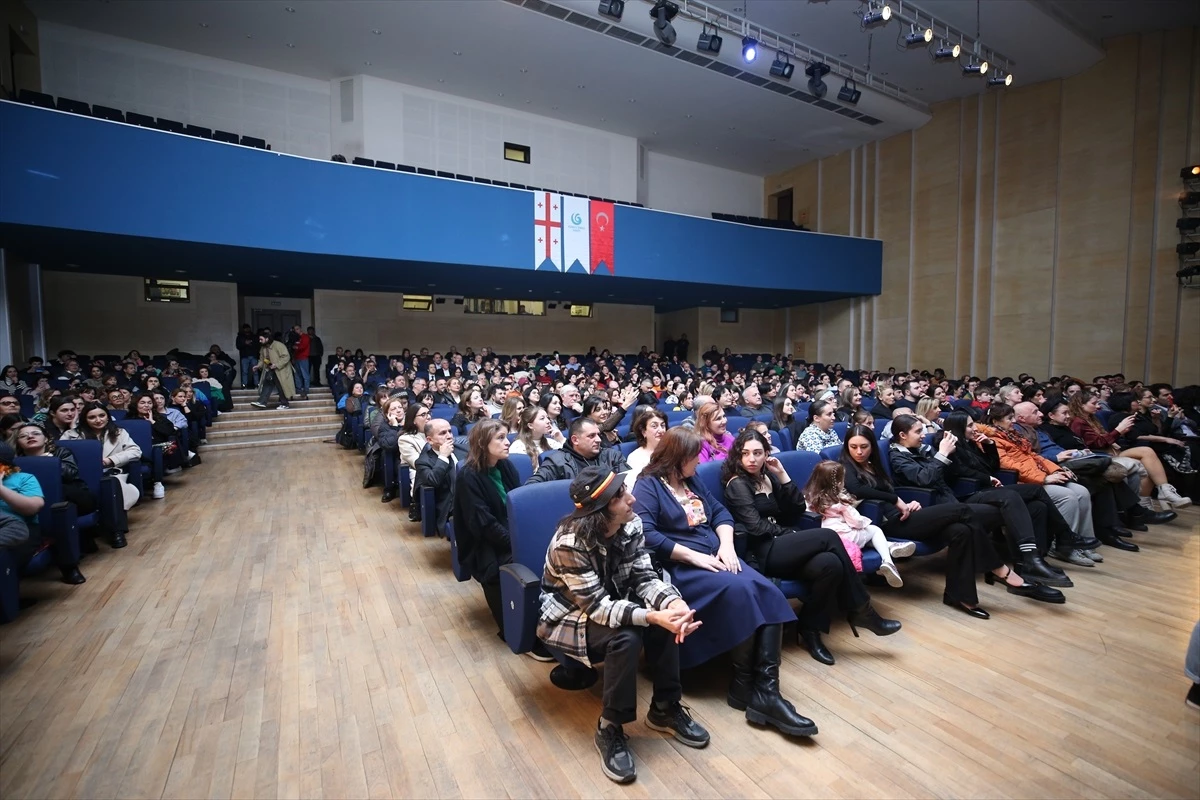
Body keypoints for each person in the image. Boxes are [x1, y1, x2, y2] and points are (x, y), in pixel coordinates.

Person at [633, 427, 819, 738]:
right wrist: (694, 557)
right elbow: (648, 534)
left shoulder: (691, 480)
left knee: (768, 591)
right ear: (677, 458)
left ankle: (759, 689)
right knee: (743, 590)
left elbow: (719, 513)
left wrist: (727, 545)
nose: (698, 462)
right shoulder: (648, 485)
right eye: (693, 457)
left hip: (716, 555)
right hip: (681, 566)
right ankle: (751, 687)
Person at [538, 466, 710, 784]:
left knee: (665, 621)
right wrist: (650, 615)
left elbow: (644, 577)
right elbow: (597, 607)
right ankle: (610, 727)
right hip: (568, 616)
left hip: (613, 600)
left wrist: (673, 604)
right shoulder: (569, 543)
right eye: (620, 496)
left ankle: (664, 707)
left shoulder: (630, 524)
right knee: (628, 637)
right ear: (600, 512)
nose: (631, 499)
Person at [722, 429, 899, 664]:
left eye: (757, 453)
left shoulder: (767, 477)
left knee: (831, 564)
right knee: (827, 536)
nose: (751, 459)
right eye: (745, 454)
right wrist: (790, 532)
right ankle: (862, 610)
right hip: (762, 550)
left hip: (783, 543)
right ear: (737, 456)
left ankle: (810, 630)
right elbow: (754, 527)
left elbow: (795, 509)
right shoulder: (737, 484)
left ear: (767, 454)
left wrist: (783, 476)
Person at [839, 425, 1014, 618]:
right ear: (846, 447)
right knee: (962, 510)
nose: (859, 451)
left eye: (864, 446)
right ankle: (997, 567)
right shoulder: (845, 467)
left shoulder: (873, 464)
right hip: (887, 523)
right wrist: (896, 501)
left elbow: (890, 490)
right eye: (853, 447)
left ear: (872, 446)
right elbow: (858, 490)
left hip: (904, 515)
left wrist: (907, 502)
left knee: (960, 531)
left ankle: (959, 596)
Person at [886, 414, 1066, 603]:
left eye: (923, 430)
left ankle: (1028, 562)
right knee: (1008, 504)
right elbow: (925, 479)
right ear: (903, 435)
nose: (924, 435)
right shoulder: (898, 456)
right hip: (936, 509)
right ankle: (1010, 570)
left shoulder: (923, 450)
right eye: (918, 431)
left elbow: (954, 472)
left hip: (952, 502)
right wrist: (942, 454)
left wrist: (960, 451)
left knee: (1031, 506)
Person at [452, 420, 553, 660]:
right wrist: (518, 544)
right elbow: (483, 524)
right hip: (483, 542)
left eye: (506, 436)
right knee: (508, 566)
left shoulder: (505, 466)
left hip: (508, 533)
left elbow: (517, 507)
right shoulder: (468, 476)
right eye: (499, 438)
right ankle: (517, 630)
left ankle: (548, 621)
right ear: (482, 443)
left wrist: (525, 538)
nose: (507, 442)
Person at [1068, 391, 1191, 511]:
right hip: (1099, 456)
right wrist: (1119, 430)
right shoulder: (1078, 421)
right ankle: (1163, 493)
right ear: (1081, 404)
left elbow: (1102, 438)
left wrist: (1116, 436)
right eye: (1094, 403)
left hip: (1110, 451)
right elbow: (1095, 443)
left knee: (1147, 462)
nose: (1098, 406)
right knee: (1147, 451)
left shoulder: (1091, 418)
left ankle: (1148, 502)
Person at [803, 460, 914, 588]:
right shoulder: (840, 501)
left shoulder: (809, 498)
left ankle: (891, 546)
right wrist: (865, 523)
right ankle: (888, 561)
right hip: (846, 539)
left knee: (867, 536)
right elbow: (856, 522)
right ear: (838, 483)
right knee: (874, 530)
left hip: (827, 539)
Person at [62, 402, 141, 514]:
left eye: (102, 416)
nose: (98, 420)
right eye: (92, 417)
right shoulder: (70, 435)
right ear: (85, 419)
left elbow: (135, 451)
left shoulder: (119, 432)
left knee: (113, 487)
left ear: (108, 417)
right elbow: (62, 456)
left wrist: (111, 460)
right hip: (82, 475)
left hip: (111, 473)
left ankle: (117, 526)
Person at [527, 418, 628, 484]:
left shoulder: (612, 455)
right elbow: (532, 486)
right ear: (575, 440)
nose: (598, 440)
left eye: (598, 435)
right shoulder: (556, 462)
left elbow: (629, 483)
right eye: (591, 436)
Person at [413, 418, 457, 537]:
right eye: (443, 433)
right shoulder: (423, 462)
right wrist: (443, 457)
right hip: (450, 506)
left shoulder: (463, 450)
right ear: (429, 440)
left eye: (450, 431)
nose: (449, 436)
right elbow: (433, 481)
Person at [508, 406, 565, 471]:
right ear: (530, 425)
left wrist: (561, 439)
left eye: (547, 417)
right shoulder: (518, 447)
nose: (548, 421)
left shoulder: (551, 442)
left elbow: (569, 460)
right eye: (542, 418)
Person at [623, 406, 667, 489]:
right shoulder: (635, 458)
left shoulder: (671, 450)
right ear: (643, 432)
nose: (661, 430)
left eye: (663, 425)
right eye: (654, 426)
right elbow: (635, 489)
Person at [250, 332, 294, 410]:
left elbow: (286, 357)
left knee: (281, 387)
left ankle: (285, 404)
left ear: (267, 339)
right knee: (267, 385)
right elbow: (262, 359)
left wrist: (276, 364)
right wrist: (258, 366)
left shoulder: (278, 345)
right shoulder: (263, 348)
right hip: (270, 369)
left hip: (280, 370)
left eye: (261, 339)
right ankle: (262, 402)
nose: (260, 341)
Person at [236, 324, 259, 390]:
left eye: (248, 328)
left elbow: (257, 345)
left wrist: (250, 343)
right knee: (244, 371)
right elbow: (238, 346)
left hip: (253, 355)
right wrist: (245, 343)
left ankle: (257, 384)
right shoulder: (240, 337)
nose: (247, 329)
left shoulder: (254, 336)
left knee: (255, 371)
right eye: (245, 328)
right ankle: (244, 384)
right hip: (244, 356)